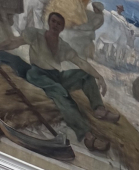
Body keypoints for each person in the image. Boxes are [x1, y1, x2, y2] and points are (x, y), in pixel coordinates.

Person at [11, 8, 121, 151]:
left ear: (62, 28)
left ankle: (99, 109)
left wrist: (99, 76)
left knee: (84, 75)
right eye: (53, 21)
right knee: (60, 91)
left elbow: (80, 62)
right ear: (49, 22)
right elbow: (15, 42)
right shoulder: (36, 34)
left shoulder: (63, 45)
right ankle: (87, 136)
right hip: (37, 74)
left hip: (56, 75)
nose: (55, 25)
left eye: (59, 23)